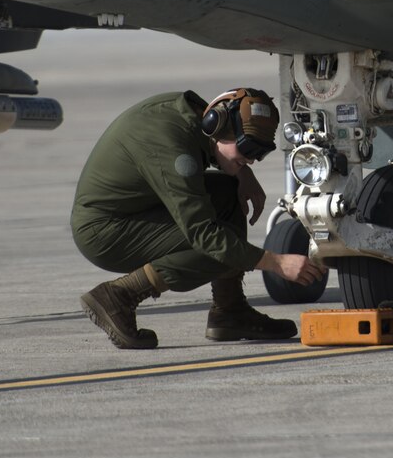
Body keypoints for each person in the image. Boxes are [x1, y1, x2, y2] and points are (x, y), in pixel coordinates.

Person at [71, 88, 325, 349]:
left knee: (227, 193)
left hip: (135, 210)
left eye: (260, 152)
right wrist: (276, 262)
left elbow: (216, 147)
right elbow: (204, 235)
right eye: (248, 148)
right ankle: (120, 294)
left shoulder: (197, 118)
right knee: (216, 244)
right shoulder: (173, 149)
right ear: (218, 125)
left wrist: (240, 173)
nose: (251, 160)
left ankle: (230, 310)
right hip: (104, 232)